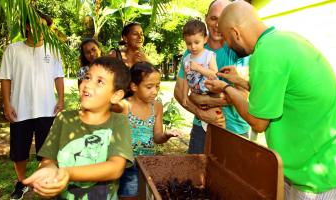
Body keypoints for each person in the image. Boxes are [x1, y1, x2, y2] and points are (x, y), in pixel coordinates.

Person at [204, 1, 336, 199]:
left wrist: (226, 88)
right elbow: (285, 92)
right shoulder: (285, 39)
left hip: (318, 174)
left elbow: (258, 122)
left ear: (236, 33)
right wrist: (241, 81)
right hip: (329, 158)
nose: (227, 45)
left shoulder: (266, 54)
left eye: (227, 38)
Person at [23, 57, 134, 199]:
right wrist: (48, 172)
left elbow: (116, 167)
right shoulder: (64, 119)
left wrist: (68, 173)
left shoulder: (119, 123)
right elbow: (48, 160)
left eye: (99, 81)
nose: (87, 84)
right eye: (87, 77)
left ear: (115, 95)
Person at [0, 11, 64, 200]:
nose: (42, 28)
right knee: (19, 150)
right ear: (28, 26)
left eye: (45, 25)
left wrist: (60, 99)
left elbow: (58, 76)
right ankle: (21, 183)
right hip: (20, 109)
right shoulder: (13, 49)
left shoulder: (53, 50)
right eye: (37, 24)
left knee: (47, 149)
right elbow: (5, 78)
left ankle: (44, 181)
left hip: (47, 108)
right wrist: (7, 103)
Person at [174, 0, 250, 154]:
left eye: (222, 19)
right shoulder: (192, 51)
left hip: (234, 130)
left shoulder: (239, 50)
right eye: (213, 18)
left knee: (230, 177)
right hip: (201, 128)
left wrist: (203, 100)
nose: (217, 24)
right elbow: (178, 92)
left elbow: (242, 95)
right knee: (196, 176)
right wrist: (201, 113)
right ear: (206, 18)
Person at [118, 62, 181, 199]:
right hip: (128, 164)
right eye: (149, 87)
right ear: (134, 86)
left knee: (147, 195)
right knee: (129, 196)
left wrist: (166, 134)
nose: (155, 91)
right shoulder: (124, 106)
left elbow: (157, 138)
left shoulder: (156, 106)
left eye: (157, 86)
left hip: (149, 163)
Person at [181, 19, 225, 129]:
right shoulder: (186, 59)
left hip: (211, 93)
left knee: (218, 119)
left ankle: (221, 135)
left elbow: (214, 74)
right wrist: (184, 94)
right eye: (189, 43)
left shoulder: (209, 55)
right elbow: (186, 78)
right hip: (197, 96)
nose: (193, 47)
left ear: (205, 39)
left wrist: (198, 68)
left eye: (196, 42)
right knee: (205, 122)